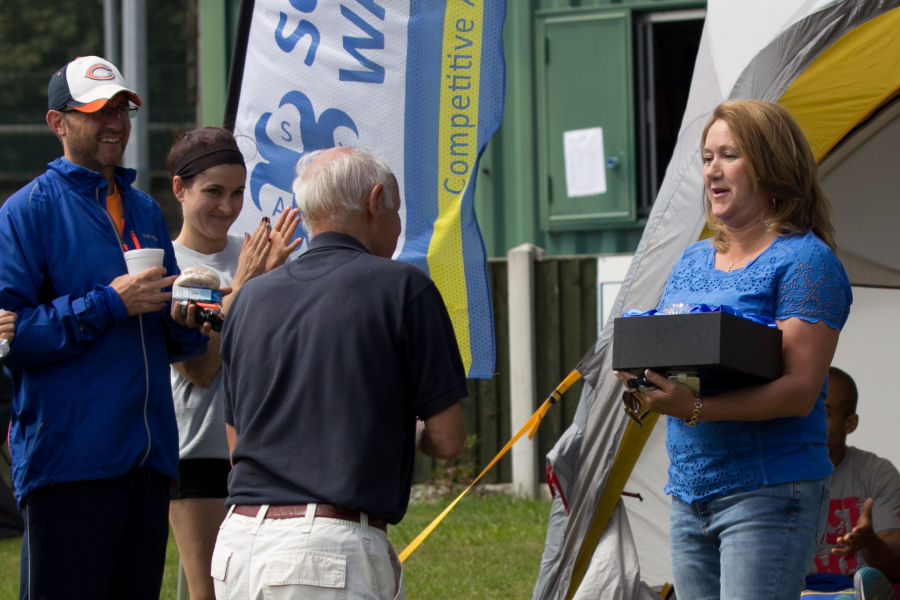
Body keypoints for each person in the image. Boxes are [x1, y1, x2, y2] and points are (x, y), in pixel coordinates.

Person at [614, 99, 853, 599]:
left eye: (729, 155)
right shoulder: (694, 259)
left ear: (770, 164)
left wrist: (695, 407)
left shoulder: (807, 261)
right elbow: (677, 348)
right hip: (689, 493)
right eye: (706, 158)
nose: (713, 171)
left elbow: (799, 393)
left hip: (768, 493)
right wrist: (645, 375)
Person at [212, 146, 468, 599]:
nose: (399, 226)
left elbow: (238, 443)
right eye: (396, 211)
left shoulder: (249, 299)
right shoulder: (402, 288)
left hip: (237, 546)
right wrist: (406, 434)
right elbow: (447, 439)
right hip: (324, 551)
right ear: (374, 202)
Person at [0, 55, 208, 599]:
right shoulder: (26, 212)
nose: (114, 122)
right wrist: (107, 305)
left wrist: (191, 316)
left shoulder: (142, 208)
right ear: (58, 123)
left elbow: (168, 337)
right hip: (68, 464)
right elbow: (9, 339)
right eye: (96, 111)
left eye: (122, 108)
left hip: (146, 462)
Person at [165, 126, 300, 600]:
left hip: (262, 450)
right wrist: (244, 286)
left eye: (238, 192)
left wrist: (281, 283)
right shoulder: (165, 267)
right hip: (197, 453)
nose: (227, 206)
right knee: (211, 592)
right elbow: (199, 371)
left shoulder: (257, 252)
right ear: (180, 189)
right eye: (213, 192)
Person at [806, 366, 900, 598]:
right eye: (806, 407)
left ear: (850, 424)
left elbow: (897, 567)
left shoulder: (876, 472)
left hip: (858, 589)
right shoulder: (775, 475)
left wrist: (870, 542)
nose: (810, 420)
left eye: (825, 412)